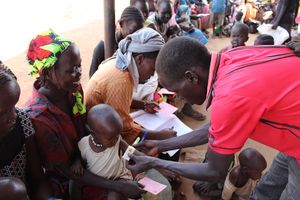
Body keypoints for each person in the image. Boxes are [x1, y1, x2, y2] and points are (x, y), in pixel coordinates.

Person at [126, 37, 300, 199]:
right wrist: (161, 145)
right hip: (293, 139)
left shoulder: (229, 96)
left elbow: (214, 171)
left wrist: (154, 162)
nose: (182, 99)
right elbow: (217, 127)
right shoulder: (230, 58)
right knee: (273, 182)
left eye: (177, 91)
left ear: (191, 77)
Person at [26, 29, 146, 199]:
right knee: (118, 194)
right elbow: (68, 171)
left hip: (87, 158)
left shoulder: (73, 90)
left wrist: (126, 152)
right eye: (71, 70)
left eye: (79, 65)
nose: (79, 73)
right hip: (69, 180)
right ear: (47, 74)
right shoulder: (39, 118)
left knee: (135, 170)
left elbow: (86, 131)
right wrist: (118, 185)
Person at [85, 28, 176, 145]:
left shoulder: (120, 63)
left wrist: (143, 105)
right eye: (153, 69)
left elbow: (117, 99)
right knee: (162, 146)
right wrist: (160, 135)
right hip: (100, 137)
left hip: (101, 126)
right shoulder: (122, 79)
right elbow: (124, 130)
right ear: (140, 59)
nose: (153, 75)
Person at [0, 61, 51, 199]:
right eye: (2, 113)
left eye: (14, 106)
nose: (13, 116)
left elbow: (37, 179)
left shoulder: (22, 120)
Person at [70, 104, 133, 199]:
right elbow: (78, 154)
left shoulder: (116, 139)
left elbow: (130, 151)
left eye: (118, 135)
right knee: (74, 181)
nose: (116, 139)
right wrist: (77, 162)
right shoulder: (84, 144)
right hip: (96, 179)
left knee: (115, 196)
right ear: (93, 134)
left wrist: (137, 157)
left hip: (119, 178)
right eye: (110, 138)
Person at [89, 6, 145, 78]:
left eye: (140, 33)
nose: (136, 37)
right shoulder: (102, 48)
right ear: (121, 24)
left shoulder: (135, 45)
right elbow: (92, 78)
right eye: (132, 32)